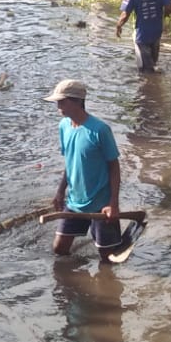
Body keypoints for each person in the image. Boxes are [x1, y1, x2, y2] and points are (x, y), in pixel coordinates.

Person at [43, 79, 123, 259]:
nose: (58, 105)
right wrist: (60, 192)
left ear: (78, 101)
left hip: (100, 203)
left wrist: (113, 204)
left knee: (108, 256)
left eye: (62, 101)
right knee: (59, 249)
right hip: (74, 201)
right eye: (57, 101)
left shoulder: (100, 130)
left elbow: (114, 167)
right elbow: (70, 162)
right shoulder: (64, 126)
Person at [116, 0, 171, 72]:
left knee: (145, 70)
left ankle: (149, 87)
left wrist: (119, 26)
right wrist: (164, 16)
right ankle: (156, 84)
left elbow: (125, 14)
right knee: (153, 62)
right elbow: (169, 7)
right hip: (157, 31)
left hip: (142, 35)